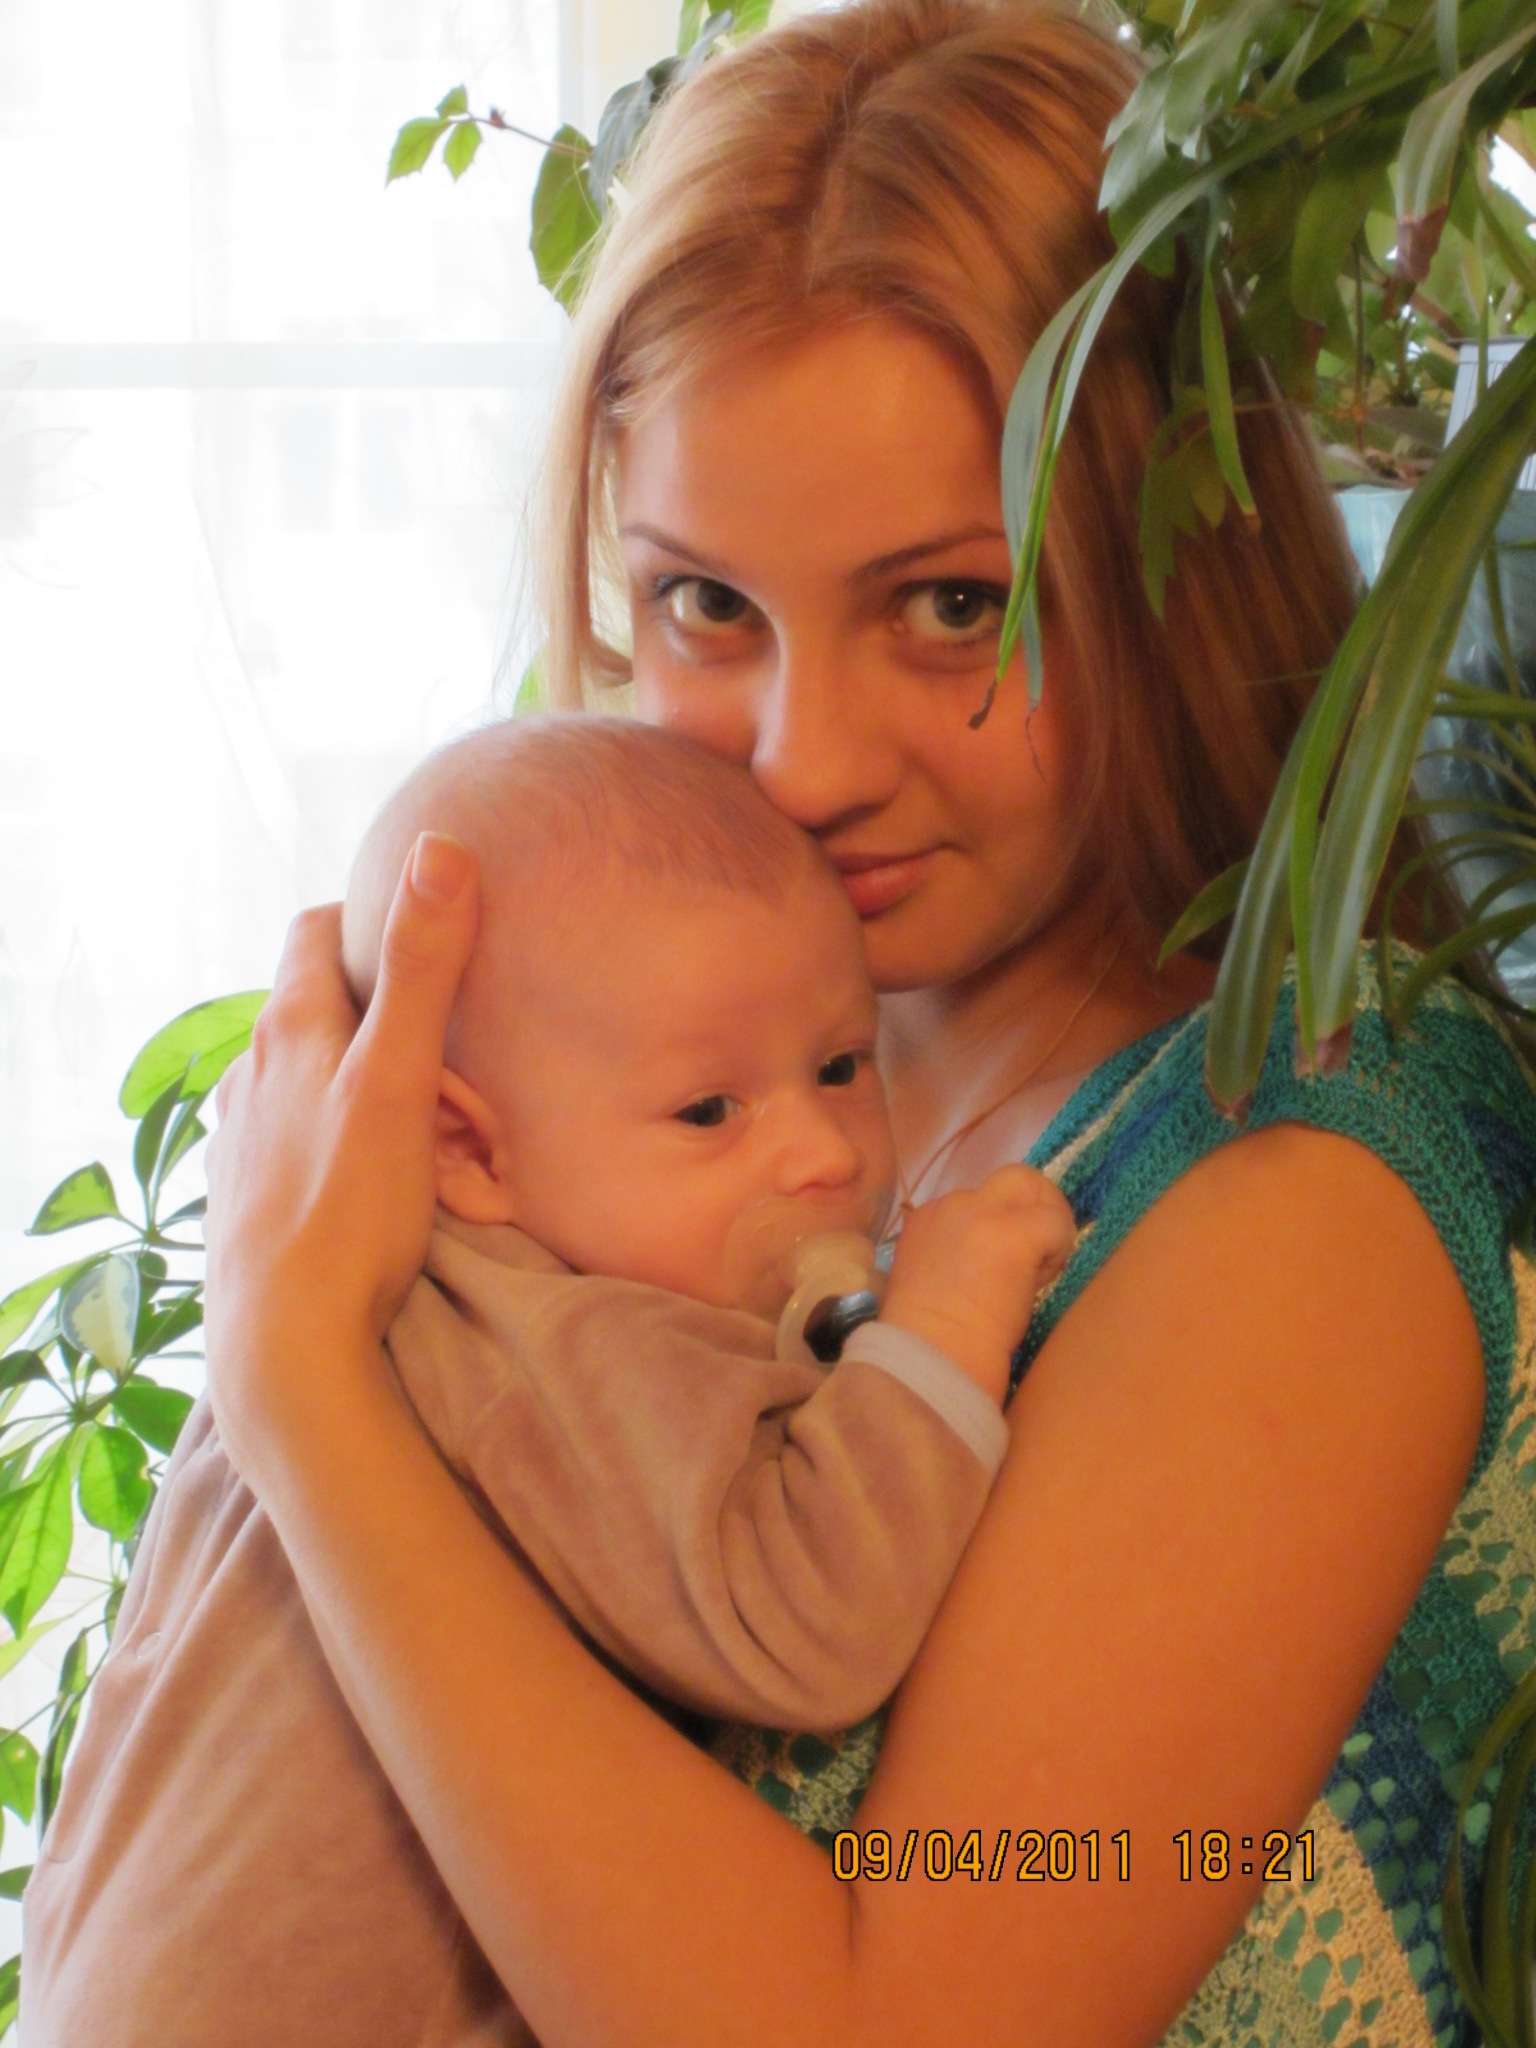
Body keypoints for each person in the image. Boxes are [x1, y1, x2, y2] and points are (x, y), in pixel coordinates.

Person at [162, 1, 1536, 2044]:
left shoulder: (1303, 1191)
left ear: (1182, 553)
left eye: (953, 603)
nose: (802, 765)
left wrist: (301, 1388)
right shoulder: (730, 1046)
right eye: (706, 605)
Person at [20, 718, 1076, 2047]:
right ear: (466, 1149)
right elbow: (801, 1620)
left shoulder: (347, 1277)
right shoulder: (558, 1336)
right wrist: (949, 1317)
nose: (824, 1151)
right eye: (709, 1112)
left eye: (840, 1066)